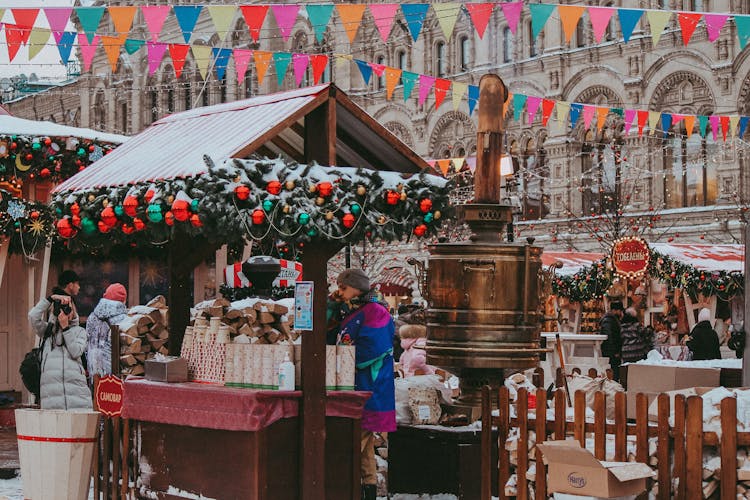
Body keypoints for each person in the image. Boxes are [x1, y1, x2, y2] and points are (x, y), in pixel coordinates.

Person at [329, 268, 395, 500]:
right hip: (358, 386)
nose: (340, 291)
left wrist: (346, 360)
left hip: (370, 386)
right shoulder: (353, 310)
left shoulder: (374, 311)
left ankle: (338, 487)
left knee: (353, 442)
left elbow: (374, 347)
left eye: (343, 287)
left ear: (357, 287)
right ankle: (368, 488)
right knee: (363, 445)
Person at [28, 274, 92, 410]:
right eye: (62, 309)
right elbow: (33, 316)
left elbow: (76, 352)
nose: (66, 311)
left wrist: (66, 328)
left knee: (77, 431)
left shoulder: (80, 332)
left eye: (69, 308)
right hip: (52, 399)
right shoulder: (47, 332)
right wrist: (50, 299)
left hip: (77, 397)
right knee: (54, 430)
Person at [87, 283, 128, 384]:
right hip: (116, 377)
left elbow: (86, 344)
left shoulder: (92, 317)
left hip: (94, 373)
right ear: (123, 300)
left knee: (97, 398)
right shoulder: (124, 319)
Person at [600, 301, 624, 382]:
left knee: (614, 371)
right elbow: (609, 337)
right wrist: (615, 351)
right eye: (620, 311)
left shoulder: (611, 320)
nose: (620, 313)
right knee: (613, 372)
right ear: (615, 310)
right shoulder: (609, 321)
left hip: (612, 352)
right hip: (611, 353)